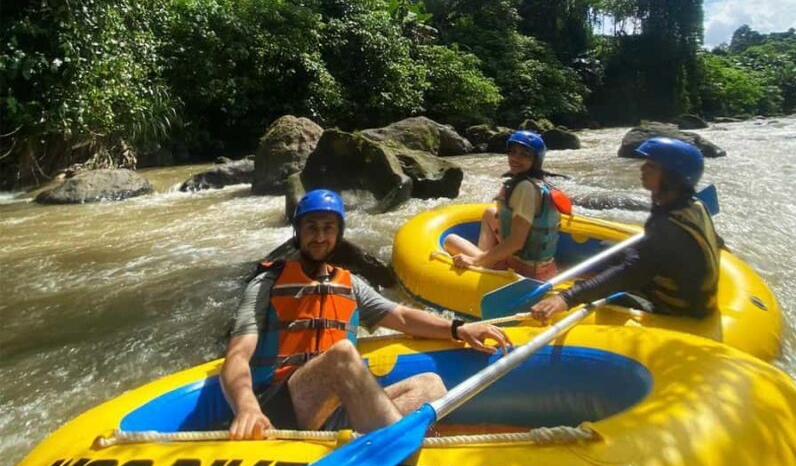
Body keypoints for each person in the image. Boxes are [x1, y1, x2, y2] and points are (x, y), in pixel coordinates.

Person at [222, 189, 511, 439]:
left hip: (335, 410)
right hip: (284, 405)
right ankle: (395, 451)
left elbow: (402, 317)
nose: (320, 237)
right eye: (311, 227)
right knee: (341, 356)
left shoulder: (350, 284)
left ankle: (376, 441)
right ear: (298, 231)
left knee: (430, 386)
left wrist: (459, 329)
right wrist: (247, 407)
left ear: (338, 234)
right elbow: (237, 356)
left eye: (328, 228)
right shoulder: (268, 283)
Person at [530, 137, 722, 322]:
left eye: (651, 166)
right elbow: (715, 242)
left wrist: (567, 297)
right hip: (688, 292)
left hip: (674, 308)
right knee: (607, 247)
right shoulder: (695, 205)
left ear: (672, 177)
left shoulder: (669, 227)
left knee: (601, 288)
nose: (643, 168)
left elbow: (631, 272)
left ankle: (579, 290)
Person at [444, 130, 563, 280]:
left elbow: (516, 243)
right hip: (543, 267)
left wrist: (475, 260)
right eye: (513, 152)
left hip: (524, 271)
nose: (515, 158)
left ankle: (482, 265)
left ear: (535, 160)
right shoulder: (539, 183)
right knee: (490, 212)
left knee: (450, 240)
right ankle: (486, 260)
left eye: (524, 154)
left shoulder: (525, 188)